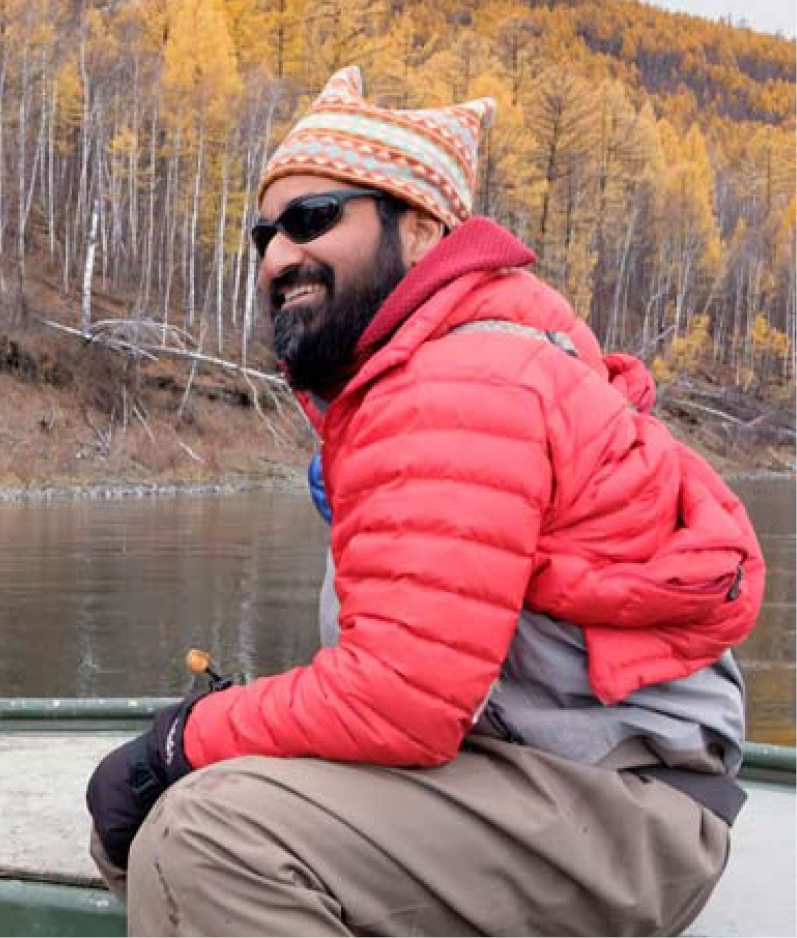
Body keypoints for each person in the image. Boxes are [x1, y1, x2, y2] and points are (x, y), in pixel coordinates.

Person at [87, 67, 764, 936]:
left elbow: (400, 703)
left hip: (616, 810)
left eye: (312, 219)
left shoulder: (459, 381)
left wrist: (175, 743)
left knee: (208, 834)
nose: (278, 255)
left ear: (420, 224)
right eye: (263, 232)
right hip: (569, 784)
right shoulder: (443, 369)